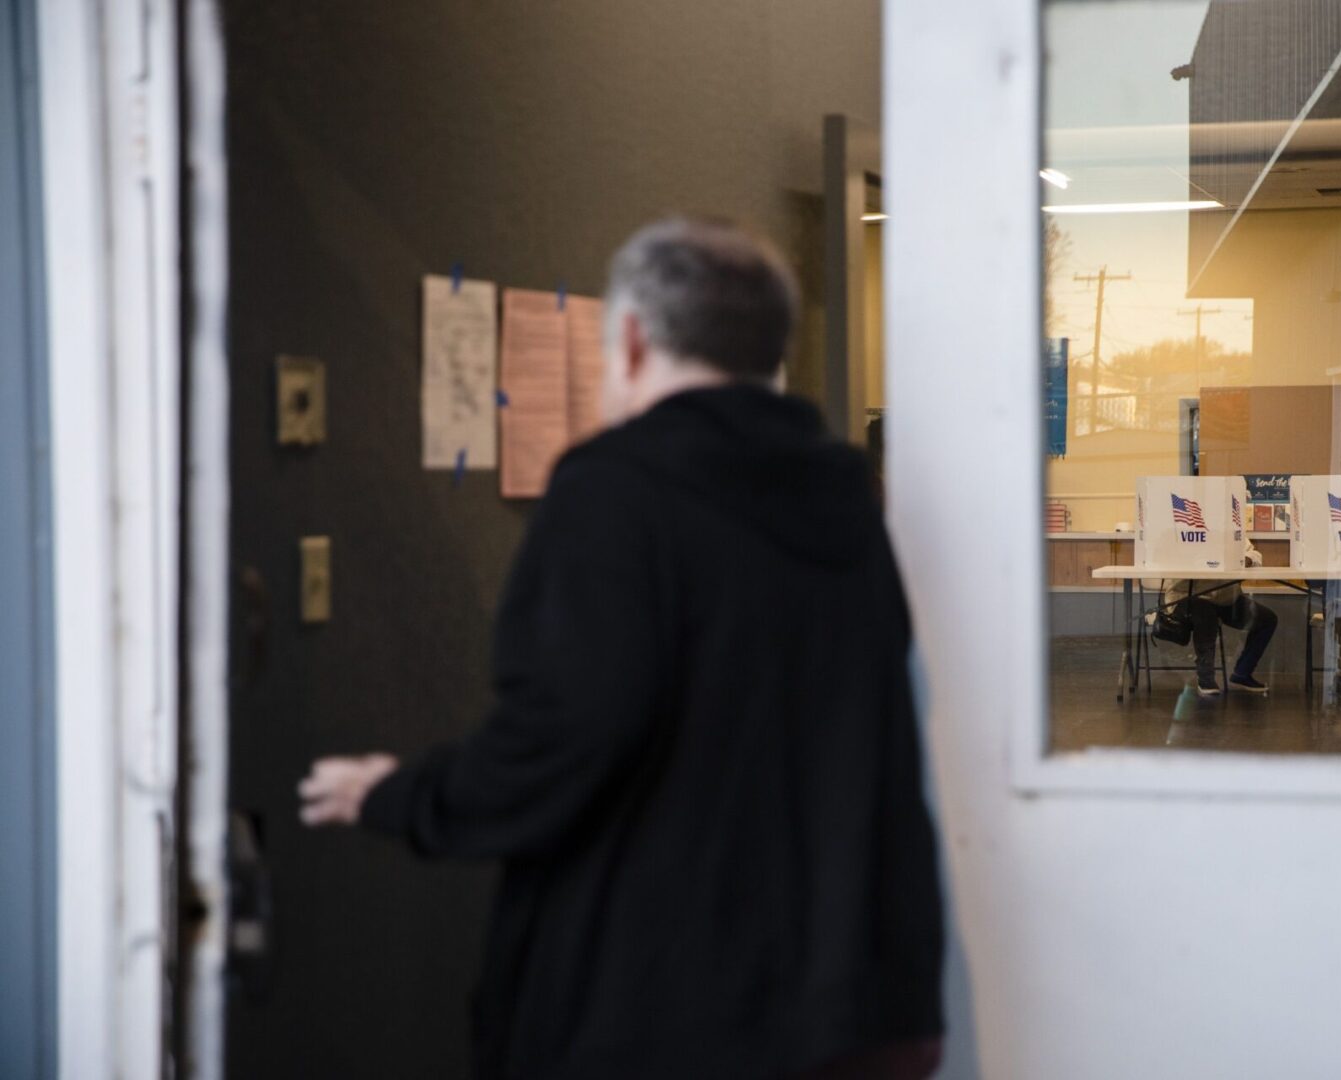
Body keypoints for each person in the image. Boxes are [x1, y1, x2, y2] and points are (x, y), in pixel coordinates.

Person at [298, 218, 945, 1079]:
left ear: (633, 342)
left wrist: (400, 796)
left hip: (669, 1009)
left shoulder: (615, 490)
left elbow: (567, 731)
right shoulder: (846, 500)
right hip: (856, 1004)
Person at [1166, 548, 1277, 697]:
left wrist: (1246, 559)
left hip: (1226, 598)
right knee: (1206, 615)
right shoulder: (1186, 531)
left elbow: (1255, 554)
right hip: (1189, 597)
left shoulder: (1231, 530)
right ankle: (1206, 678)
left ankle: (1242, 673)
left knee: (1267, 620)